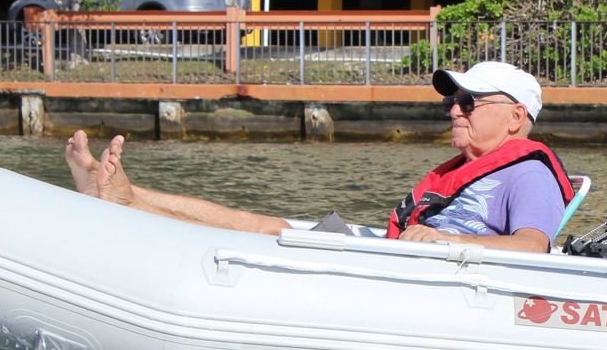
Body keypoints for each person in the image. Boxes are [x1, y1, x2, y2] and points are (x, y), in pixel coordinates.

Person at [64, 61, 575, 253]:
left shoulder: (528, 173)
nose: (454, 111)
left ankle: (127, 199)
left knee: (266, 231)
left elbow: (532, 247)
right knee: (263, 223)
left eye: (467, 102)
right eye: (451, 101)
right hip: (396, 267)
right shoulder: (464, 170)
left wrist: (444, 237)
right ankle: (128, 197)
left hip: (424, 279)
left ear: (513, 117)